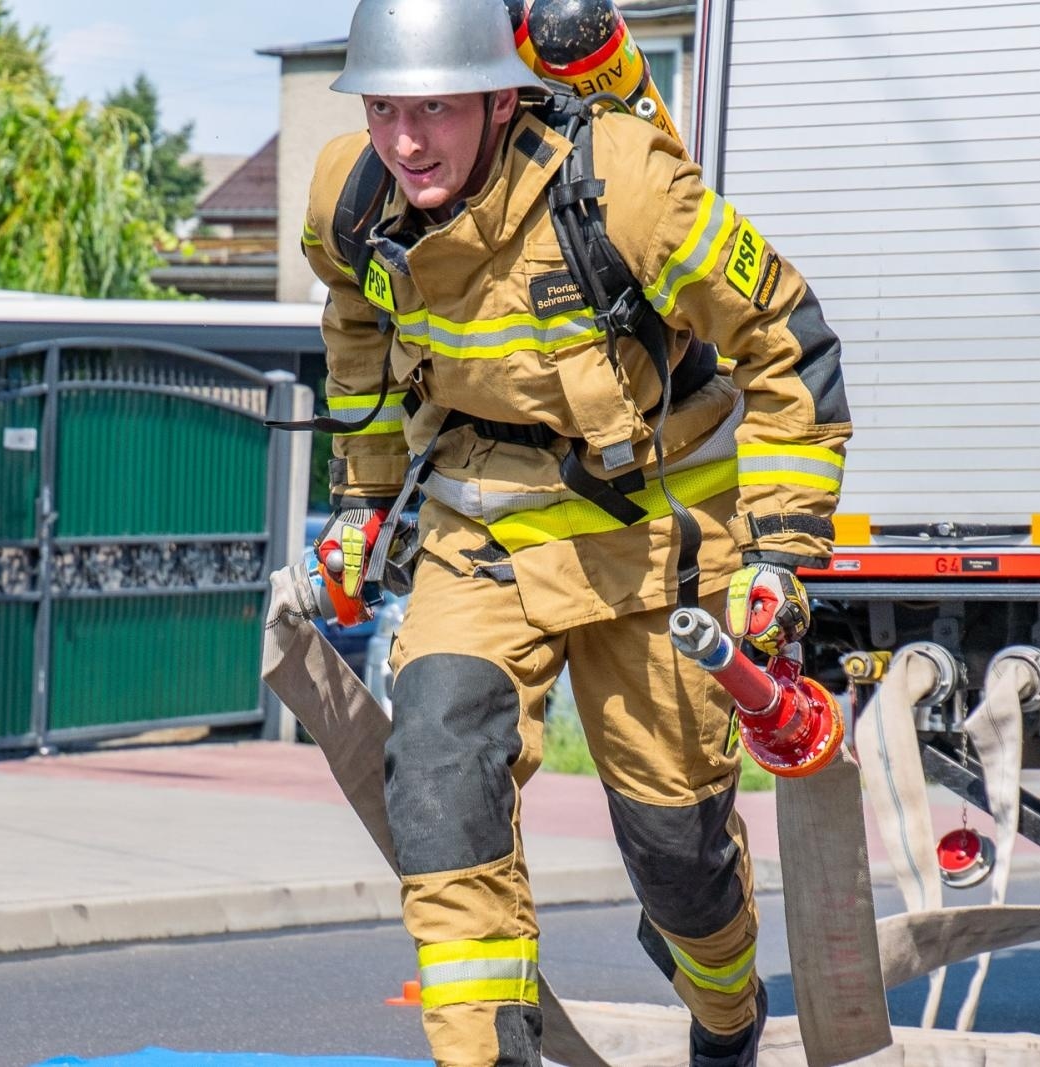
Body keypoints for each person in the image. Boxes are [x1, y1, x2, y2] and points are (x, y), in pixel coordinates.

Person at [299, 1, 851, 1063]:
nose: (404, 141)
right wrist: (364, 501)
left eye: (435, 111)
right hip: (482, 534)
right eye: (382, 109)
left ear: (502, 100)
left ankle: (726, 1019)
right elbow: (356, 331)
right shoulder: (351, 200)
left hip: (657, 545)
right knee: (438, 785)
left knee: (677, 857)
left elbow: (790, 344)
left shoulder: (629, 186)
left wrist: (781, 549)